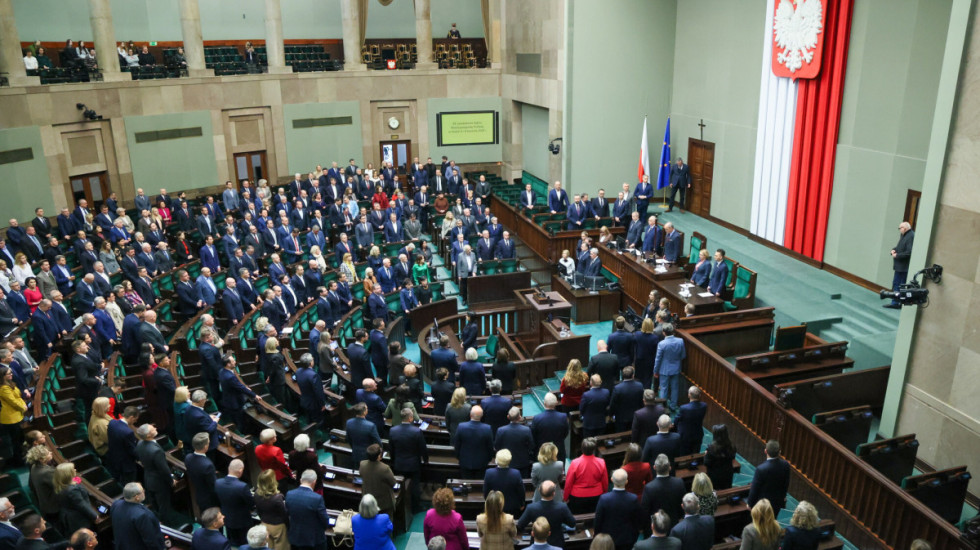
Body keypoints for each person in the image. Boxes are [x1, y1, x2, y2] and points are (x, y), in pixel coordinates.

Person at [135, 424, 175, 525]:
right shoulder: (155, 451)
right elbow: (164, 469)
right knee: (164, 505)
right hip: (159, 481)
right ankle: (167, 526)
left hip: (148, 477)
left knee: (156, 504)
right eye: (153, 429)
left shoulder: (140, 443)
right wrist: (171, 480)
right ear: (148, 436)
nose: (156, 428)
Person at [389, 408, 428, 513]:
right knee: (415, 486)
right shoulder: (417, 431)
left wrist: (393, 461)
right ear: (410, 418)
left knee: (401, 486)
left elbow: (391, 449)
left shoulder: (393, 430)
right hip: (413, 464)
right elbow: (423, 449)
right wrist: (426, 461)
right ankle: (415, 508)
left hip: (399, 463)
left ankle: (402, 508)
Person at [594, 469, 643, 550]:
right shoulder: (633, 499)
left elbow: (598, 520)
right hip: (627, 539)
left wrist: (597, 535)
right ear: (626, 482)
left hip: (608, 541)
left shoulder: (604, 498)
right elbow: (637, 520)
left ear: (612, 480)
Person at [109, 483, 165, 550]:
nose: (144, 491)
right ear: (137, 497)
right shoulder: (141, 515)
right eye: (142, 491)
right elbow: (151, 541)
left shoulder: (116, 504)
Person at [285, 470, 330, 550]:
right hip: (314, 541)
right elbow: (325, 520)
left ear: (300, 480)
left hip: (295, 538)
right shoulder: (317, 498)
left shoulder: (289, 494)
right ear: (314, 482)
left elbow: (287, 514)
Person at [215, 459, 256, 546]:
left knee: (232, 543)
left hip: (227, 520)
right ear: (240, 471)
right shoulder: (242, 486)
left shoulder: (218, 483)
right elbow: (251, 504)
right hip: (243, 522)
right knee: (245, 544)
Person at [564, 438, 607, 514]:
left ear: (581, 449)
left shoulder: (575, 463)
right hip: (596, 496)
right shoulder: (601, 462)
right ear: (593, 449)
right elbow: (605, 482)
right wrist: (604, 495)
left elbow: (568, 482)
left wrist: (565, 497)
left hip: (577, 497)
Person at [53, 463, 98, 536]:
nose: (75, 470)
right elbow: (81, 505)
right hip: (79, 521)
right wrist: (95, 516)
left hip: (69, 517)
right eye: (73, 469)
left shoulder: (62, 485)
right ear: (68, 474)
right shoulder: (72, 490)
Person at [748, 440, 791, 516]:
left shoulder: (761, 469)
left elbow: (755, 489)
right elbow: (786, 484)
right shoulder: (786, 465)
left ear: (765, 451)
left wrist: (750, 504)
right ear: (779, 452)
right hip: (777, 503)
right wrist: (783, 496)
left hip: (762, 505)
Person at [641, 454, 685, 527]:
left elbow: (645, 511)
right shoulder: (679, 483)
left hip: (657, 526)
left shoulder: (649, 488)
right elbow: (682, 504)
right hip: (675, 524)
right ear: (670, 468)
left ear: (654, 467)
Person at [452, 406, 495, 479]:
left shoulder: (461, 427)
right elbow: (490, 447)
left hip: (465, 461)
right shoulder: (487, 428)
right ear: (481, 416)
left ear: (470, 415)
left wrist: (458, 457)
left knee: (466, 484)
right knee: (479, 485)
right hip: (482, 463)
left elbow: (457, 445)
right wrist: (489, 459)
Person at [253, 470, 289, 550]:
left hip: (264, 524)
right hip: (278, 527)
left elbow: (258, 510)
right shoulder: (278, 498)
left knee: (268, 547)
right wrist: (288, 526)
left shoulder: (256, 494)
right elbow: (284, 514)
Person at [483, 449, 525, 517]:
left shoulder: (489, 473)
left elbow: (486, 491)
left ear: (496, 460)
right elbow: (521, 491)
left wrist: (488, 503)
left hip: (494, 507)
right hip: (512, 508)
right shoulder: (516, 473)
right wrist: (522, 503)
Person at [360, 444, 397, 520]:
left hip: (368, 499)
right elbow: (393, 483)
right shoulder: (384, 468)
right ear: (379, 456)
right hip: (383, 503)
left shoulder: (362, 464)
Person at [654, 324, 685, 410]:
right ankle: (673, 406)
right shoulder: (680, 341)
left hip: (664, 370)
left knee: (664, 389)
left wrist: (655, 371)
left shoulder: (662, 344)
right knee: (675, 388)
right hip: (676, 369)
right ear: (672, 331)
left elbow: (658, 359)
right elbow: (683, 355)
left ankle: (663, 407)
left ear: (664, 333)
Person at [185, 433, 219, 512]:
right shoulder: (207, 465)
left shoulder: (188, 458)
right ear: (205, 447)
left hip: (199, 496)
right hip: (210, 501)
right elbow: (213, 486)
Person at [530, 393, 569, 462]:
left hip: (542, 451)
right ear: (556, 403)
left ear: (544, 403)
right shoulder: (563, 417)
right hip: (558, 450)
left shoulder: (537, 418)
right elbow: (565, 433)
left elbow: (534, 435)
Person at [0, 366, 26, 467]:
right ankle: (18, 461)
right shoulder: (3, 389)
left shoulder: (10, 384)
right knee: (16, 442)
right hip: (10, 418)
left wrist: (23, 404)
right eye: (9, 374)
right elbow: (13, 401)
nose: (11, 374)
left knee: (19, 440)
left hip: (17, 415)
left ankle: (20, 458)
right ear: (3, 376)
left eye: (11, 372)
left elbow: (18, 396)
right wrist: (23, 407)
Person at [885, 221, 915, 309]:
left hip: (903, 267)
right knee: (896, 284)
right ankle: (895, 302)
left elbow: (909, 252)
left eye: (900, 228)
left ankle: (897, 303)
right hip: (900, 266)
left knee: (899, 284)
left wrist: (897, 255)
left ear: (905, 228)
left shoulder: (911, 236)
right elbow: (900, 247)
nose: (899, 230)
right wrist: (893, 250)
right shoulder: (904, 235)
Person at [106, 406, 140, 483]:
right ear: (131, 417)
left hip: (113, 460)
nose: (135, 421)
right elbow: (132, 450)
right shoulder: (128, 432)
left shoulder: (112, 423)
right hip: (126, 465)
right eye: (136, 419)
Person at [255, 429, 293, 494]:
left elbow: (259, 462)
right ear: (271, 439)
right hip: (278, 477)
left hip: (265, 474)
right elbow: (283, 466)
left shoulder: (257, 448)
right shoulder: (276, 450)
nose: (276, 436)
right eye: (275, 436)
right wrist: (290, 474)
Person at [675, 386, 707, 455]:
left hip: (685, 436)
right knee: (695, 453)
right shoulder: (704, 406)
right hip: (698, 433)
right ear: (700, 395)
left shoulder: (684, 408)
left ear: (689, 395)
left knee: (683, 454)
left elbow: (676, 421)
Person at [703, 424, 737, 490]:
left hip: (715, 476)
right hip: (728, 473)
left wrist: (706, 454)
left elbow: (706, 463)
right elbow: (733, 458)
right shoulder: (732, 446)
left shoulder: (711, 449)